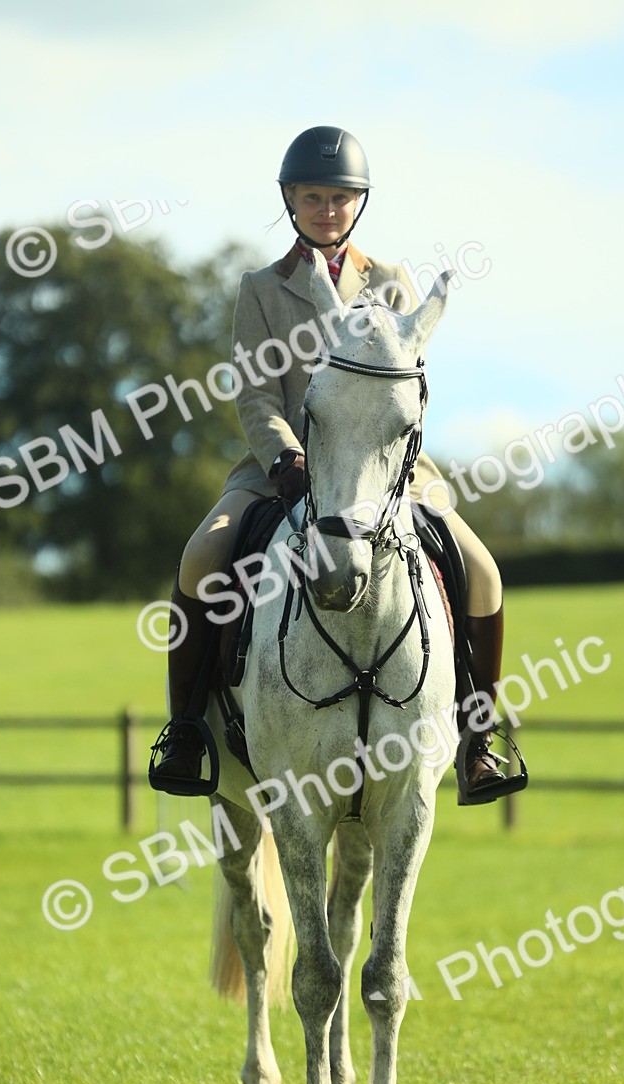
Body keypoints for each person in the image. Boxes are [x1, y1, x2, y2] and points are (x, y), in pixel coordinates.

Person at [149, 125, 511, 801]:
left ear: (358, 204)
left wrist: (390, 458)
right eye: (312, 196)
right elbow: (256, 393)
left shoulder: (395, 283)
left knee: (483, 572)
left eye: (339, 197)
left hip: (387, 471)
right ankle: (186, 731)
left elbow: (409, 386)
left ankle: (479, 738)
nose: (326, 209)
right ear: (289, 201)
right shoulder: (261, 288)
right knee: (201, 559)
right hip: (277, 468)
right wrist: (287, 454)